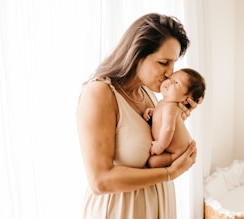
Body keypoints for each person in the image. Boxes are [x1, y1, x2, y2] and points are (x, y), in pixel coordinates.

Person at [76, 13, 199, 219]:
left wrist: (177, 118)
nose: (170, 73)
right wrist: (170, 173)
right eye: (163, 63)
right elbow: (100, 180)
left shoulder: (148, 93)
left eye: (173, 64)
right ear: (137, 54)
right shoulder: (99, 93)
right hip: (120, 212)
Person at [144, 68, 205, 168]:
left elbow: (168, 129)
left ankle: (172, 158)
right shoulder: (163, 103)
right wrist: (152, 112)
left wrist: (160, 145)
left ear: (186, 100)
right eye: (170, 78)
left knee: (152, 162)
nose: (169, 82)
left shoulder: (171, 108)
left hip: (179, 152)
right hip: (173, 146)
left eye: (176, 83)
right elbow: (160, 118)